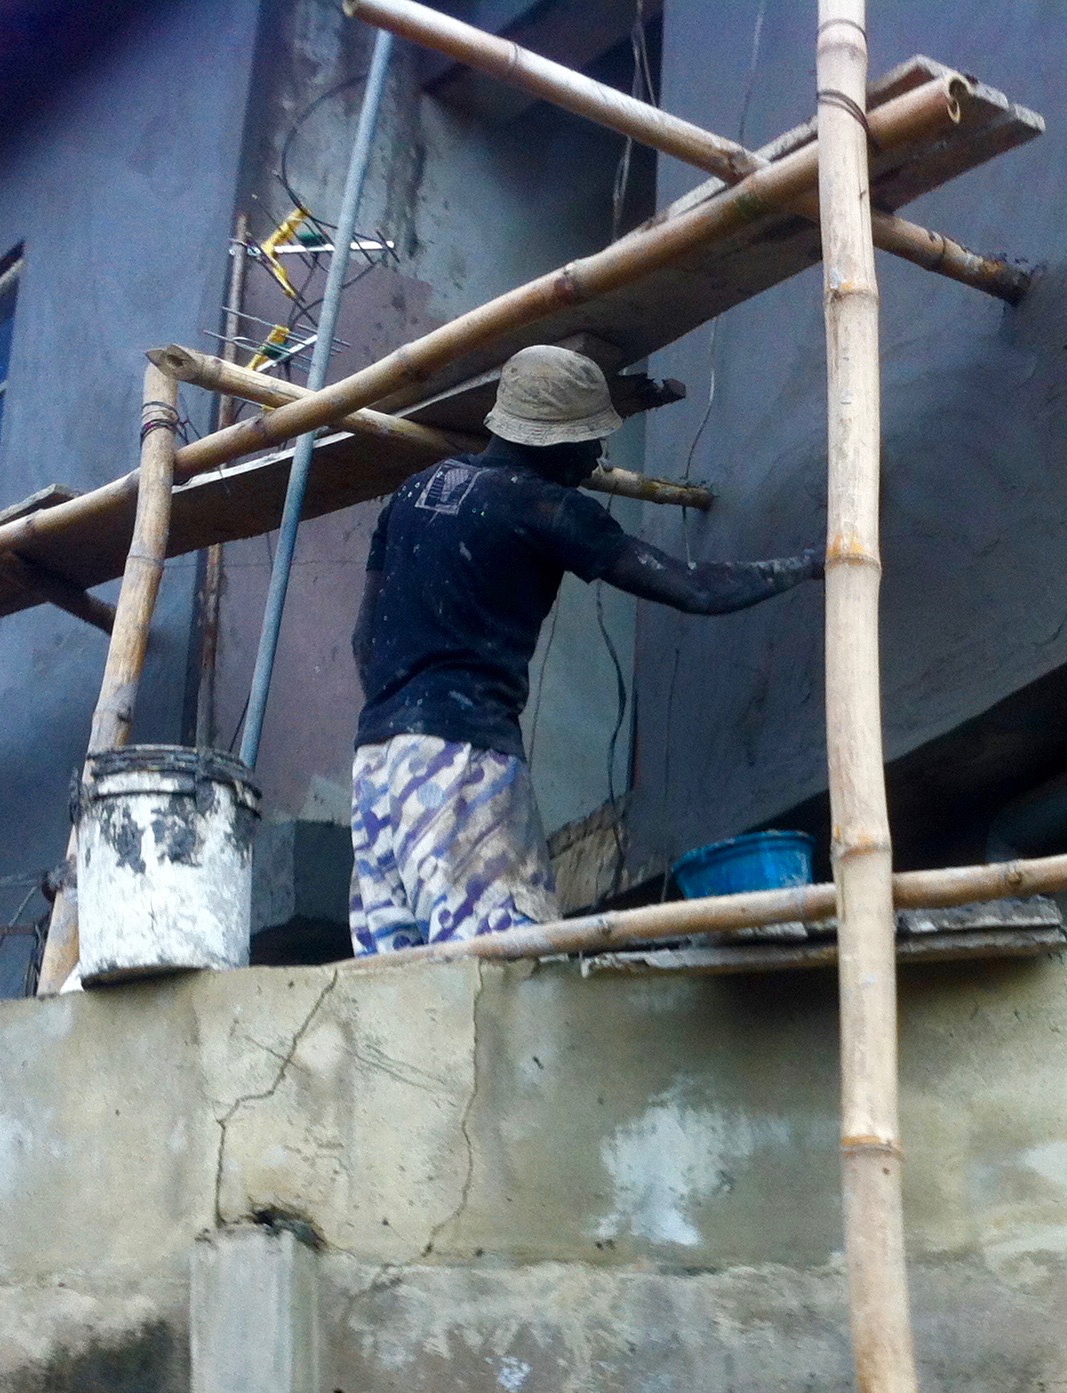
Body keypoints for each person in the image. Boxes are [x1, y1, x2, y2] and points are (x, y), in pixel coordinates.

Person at [347, 344, 820, 954]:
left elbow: (365, 640)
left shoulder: (413, 494)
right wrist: (808, 565)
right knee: (501, 959)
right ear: (552, 440)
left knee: (396, 969)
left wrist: (410, 715)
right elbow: (694, 587)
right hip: (462, 756)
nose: (599, 454)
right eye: (589, 438)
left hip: (377, 761)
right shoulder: (547, 508)